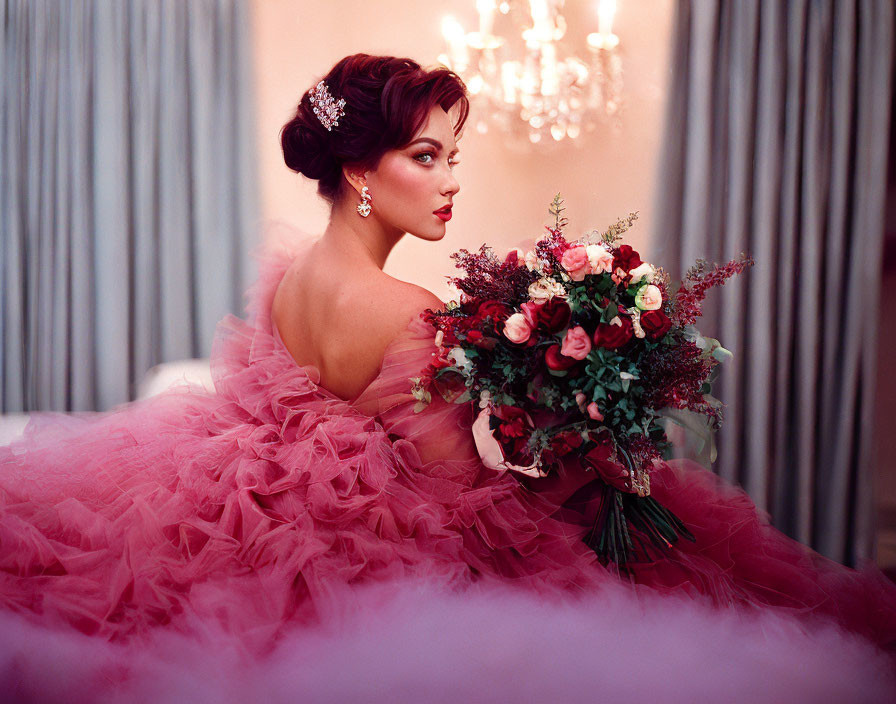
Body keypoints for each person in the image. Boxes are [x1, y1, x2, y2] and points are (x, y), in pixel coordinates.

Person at [1, 53, 896, 701]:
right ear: (360, 170)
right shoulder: (404, 310)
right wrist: (581, 463)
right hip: (372, 552)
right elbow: (459, 503)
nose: (450, 179)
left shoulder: (293, 281)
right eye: (426, 157)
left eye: (451, 154)